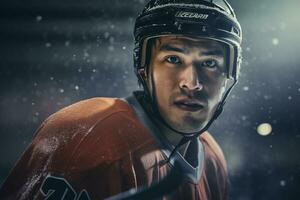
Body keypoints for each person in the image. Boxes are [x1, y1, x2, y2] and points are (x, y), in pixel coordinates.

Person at [0, 0, 242, 199]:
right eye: (173, 59)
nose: (192, 83)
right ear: (143, 67)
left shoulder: (212, 159)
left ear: (229, 75)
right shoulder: (89, 134)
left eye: (210, 63)